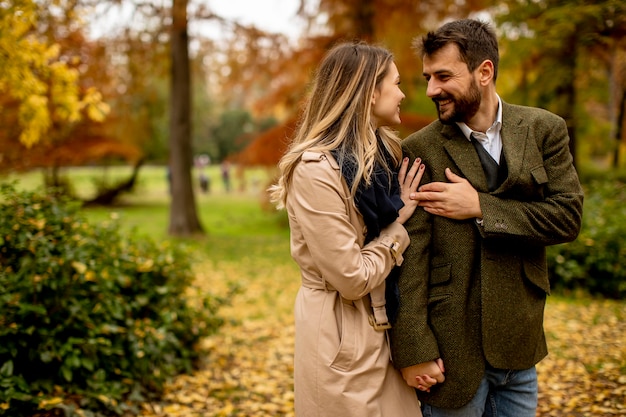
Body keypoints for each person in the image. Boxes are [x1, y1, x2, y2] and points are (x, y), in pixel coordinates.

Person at [388, 19, 584, 417]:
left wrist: (481, 206)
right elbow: (410, 260)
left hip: (520, 342)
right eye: (427, 77)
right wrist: (414, 350)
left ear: (484, 72)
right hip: (449, 351)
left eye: (443, 76)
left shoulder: (544, 129)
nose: (430, 90)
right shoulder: (419, 148)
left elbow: (567, 218)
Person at [269, 41, 426, 416]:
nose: (403, 93)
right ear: (370, 91)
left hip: (380, 325)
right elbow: (351, 277)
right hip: (340, 334)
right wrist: (396, 226)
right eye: (396, 83)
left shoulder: (380, 158)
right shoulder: (315, 170)